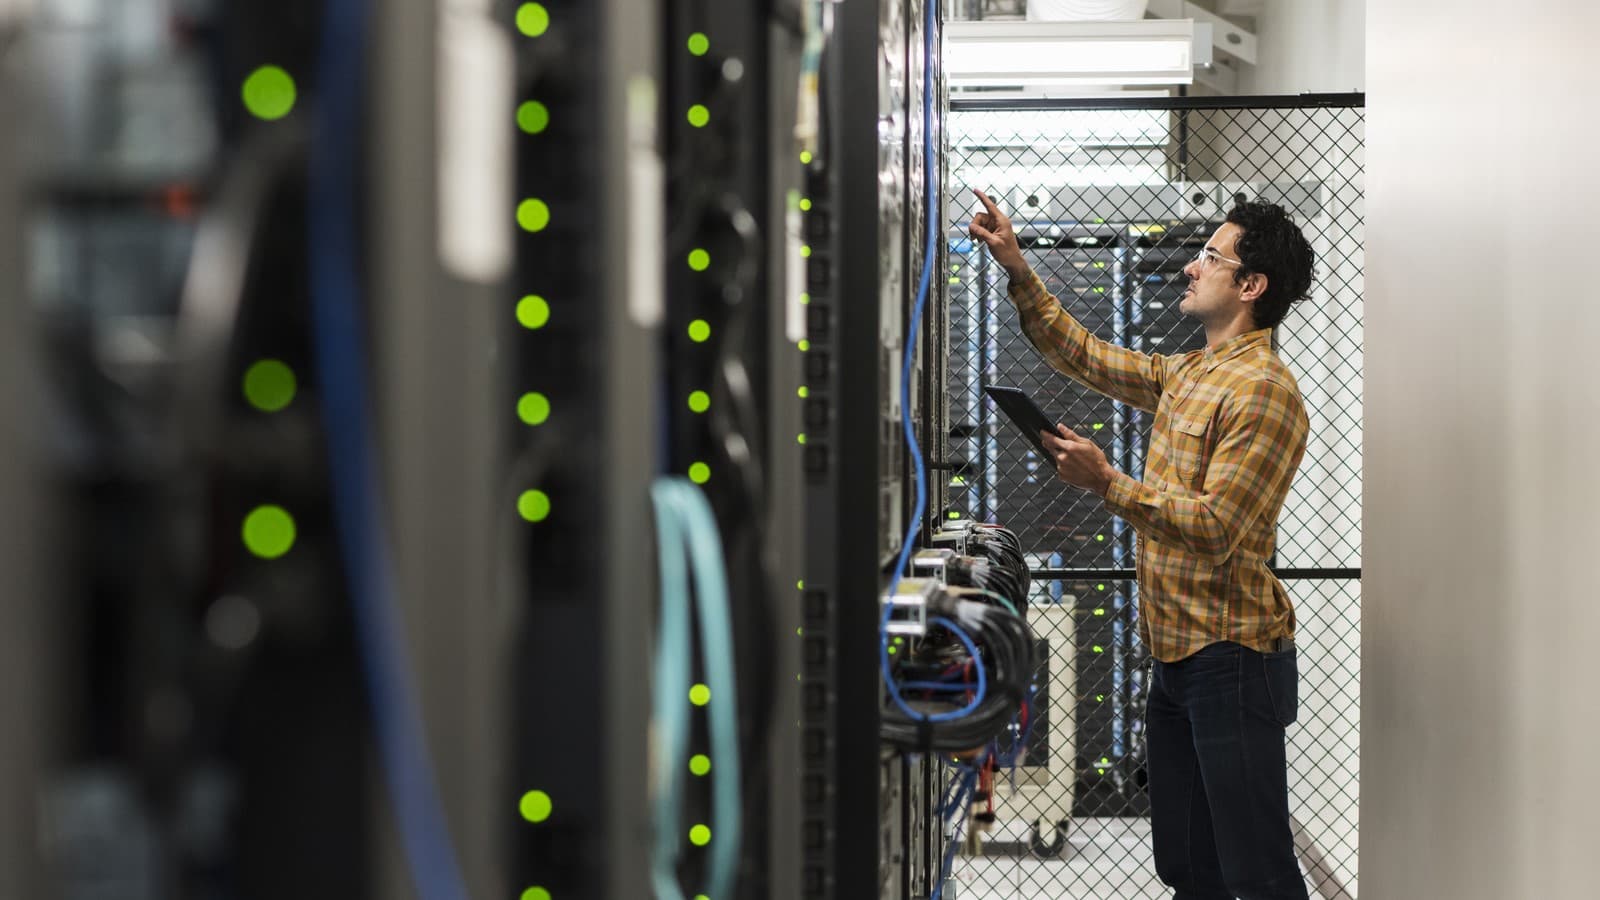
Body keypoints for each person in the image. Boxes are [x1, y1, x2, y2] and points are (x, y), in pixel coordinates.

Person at [968, 189, 1313, 900]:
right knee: (1187, 865)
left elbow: (1217, 529)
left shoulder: (1264, 392)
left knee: (1258, 871)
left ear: (1251, 286)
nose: (1191, 266)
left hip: (1233, 658)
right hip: (1175, 655)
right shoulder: (1190, 373)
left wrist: (1107, 483)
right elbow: (1085, 356)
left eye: (1210, 257)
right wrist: (1017, 266)